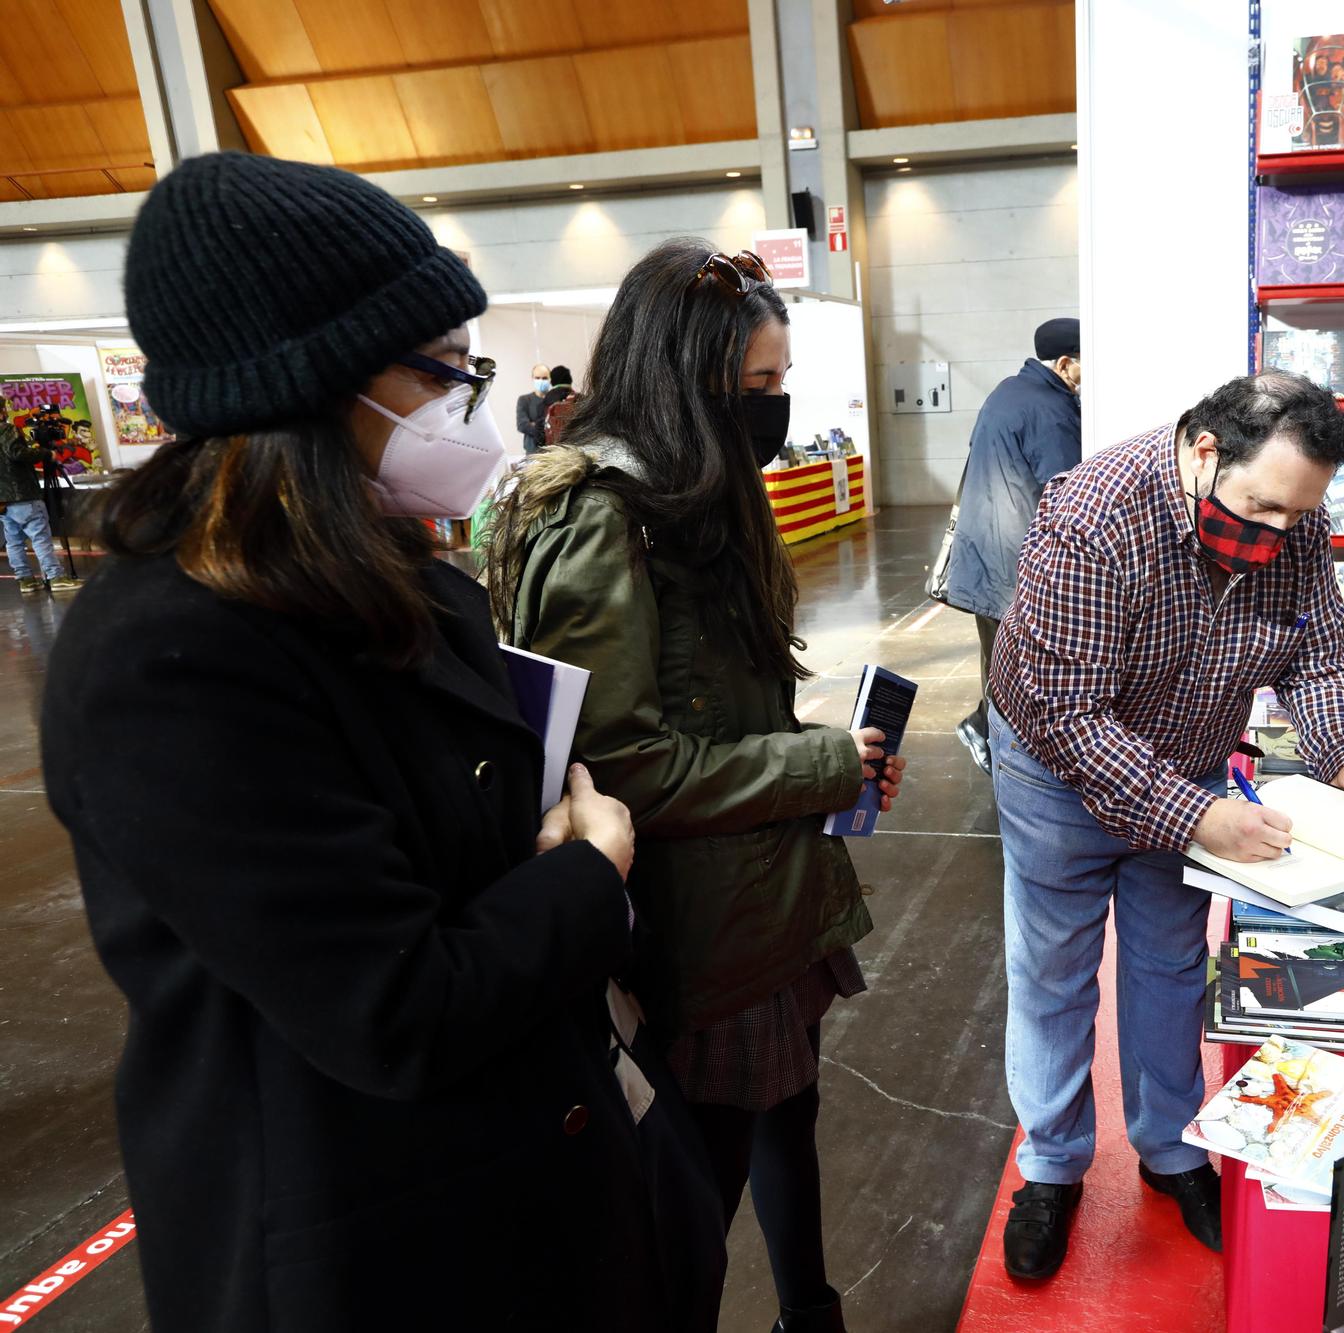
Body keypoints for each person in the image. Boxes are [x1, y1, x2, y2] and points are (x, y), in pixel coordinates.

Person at [39, 152, 725, 1333]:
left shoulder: (393, 576)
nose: (465, 402)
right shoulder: (170, 660)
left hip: (537, 1157)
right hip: (379, 1236)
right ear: (316, 383)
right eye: (442, 372)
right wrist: (587, 868)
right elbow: (392, 1005)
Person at [484, 238, 906, 1333]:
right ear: (686, 375)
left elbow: (712, 711)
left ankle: (808, 1306)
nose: (774, 408)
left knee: (787, 1109)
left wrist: (822, 763)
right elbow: (621, 768)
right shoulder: (603, 516)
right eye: (756, 385)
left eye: (779, 384)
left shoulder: (694, 490)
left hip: (761, 888)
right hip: (694, 922)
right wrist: (820, 762)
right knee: (688, 1199)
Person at [986, 371, 1344, 1280]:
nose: (1278, 537)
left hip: (1189, 751)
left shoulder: (1294, 514)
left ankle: (1171, 1148)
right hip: (1055, 767)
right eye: (1263, 510)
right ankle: (1051, 1165)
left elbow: (1318, 650)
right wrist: (1200, 815)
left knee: (1168, 964)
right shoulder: (1091, 516)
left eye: (1296, 519)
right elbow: (1073, 717)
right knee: (1052, 968)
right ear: (1205, 451)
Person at [945, 316, 1082, 773]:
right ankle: (992, 739)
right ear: (1065, 364)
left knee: (1000, 659)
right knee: (1019, 668)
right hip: (1014, 562)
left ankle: (986, 731)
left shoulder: (1008, 391)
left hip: (986, 555)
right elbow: (1067, 492)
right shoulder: (1051, 409)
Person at [1, 415, 75, 594]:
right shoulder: (6, 429)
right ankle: (55, 576)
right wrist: (45, 453)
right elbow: (18, 453)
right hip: (23, 494)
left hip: (3, 501)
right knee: (40, 537)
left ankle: (26, 580)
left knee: (13, 541)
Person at [517, 360, 552, 452]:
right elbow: (522, 425)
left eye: (544, 378)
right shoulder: (524, 400)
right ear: (532, 378)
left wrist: (535, 424)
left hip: (553, 452)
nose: (541, 380)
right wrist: (547, 428)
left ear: (550, 379)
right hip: (533, 452)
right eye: (537, 378)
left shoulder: (555, 400)